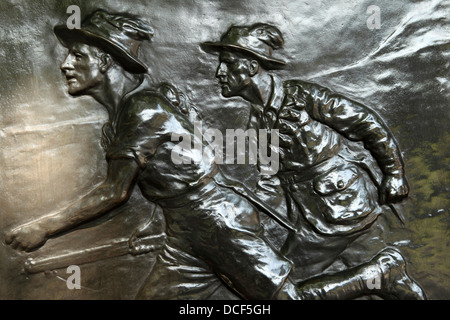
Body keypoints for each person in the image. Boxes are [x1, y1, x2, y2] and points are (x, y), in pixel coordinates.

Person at [5, 11, 424, 300]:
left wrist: (45, 226)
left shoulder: (143, 110)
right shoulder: (121, 120)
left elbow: (116, 193)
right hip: (187, 229)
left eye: (78, 55)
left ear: (108, 62)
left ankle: (378, 273)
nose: (65, 64)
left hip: (223, 220)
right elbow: (171, 177)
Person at [200, 23, 425, 287]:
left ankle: (382, 277)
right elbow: (269, 183)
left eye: (227, 63)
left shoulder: (302, 97)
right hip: (310, 219)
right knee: (379, 274)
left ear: (251, 67)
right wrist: (235, 217)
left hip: (347, 206)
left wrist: (395, 172)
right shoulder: (255, 123)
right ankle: (386, 279)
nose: (219, 72)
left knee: (279, 285)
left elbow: (364, 122)